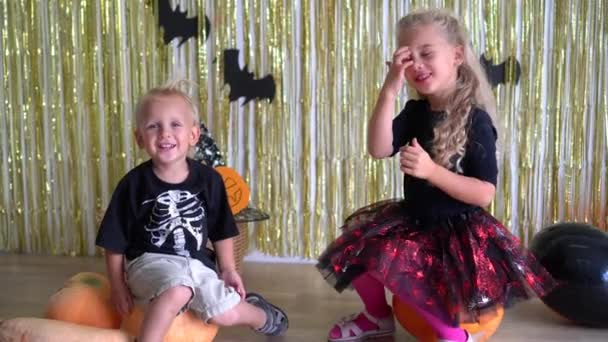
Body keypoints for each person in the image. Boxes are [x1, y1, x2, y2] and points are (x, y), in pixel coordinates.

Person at [317, 9, 556, 342]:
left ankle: (456, 335)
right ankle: (377, 316)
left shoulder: (476, 120)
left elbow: (484, 192)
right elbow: (378, 148)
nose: (416, 64)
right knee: (358, 245)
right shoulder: (416, 112)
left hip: (457, 233)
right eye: (407, 57)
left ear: (457, 54)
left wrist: (432, 171)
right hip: (415, 221)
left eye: (426, 53)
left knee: (415, 277)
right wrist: (389, 90)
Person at [96, 81, 288, 342]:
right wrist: (117, 286)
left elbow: (222, 230)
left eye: (175, 125)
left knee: (225, 314)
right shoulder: (132, 185)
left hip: (198, 264)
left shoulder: (210, 181)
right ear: (140, 138)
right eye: (153, 126)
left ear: (193, 135)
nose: (165, 133)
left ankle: (264, 317)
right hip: (149, 263)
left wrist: (229, 269)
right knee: (178, 289)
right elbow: (114, 241)